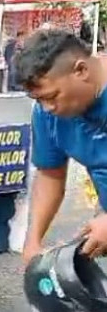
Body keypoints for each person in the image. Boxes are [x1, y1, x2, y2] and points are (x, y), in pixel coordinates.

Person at [14, 29, 107, 264]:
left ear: (81, 70)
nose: (47, 108)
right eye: (39, 99)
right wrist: (33, 241)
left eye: (52, 96)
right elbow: (50, 175)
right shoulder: (48, 115)